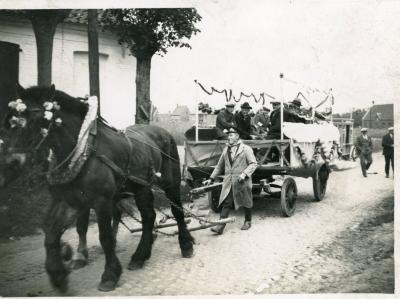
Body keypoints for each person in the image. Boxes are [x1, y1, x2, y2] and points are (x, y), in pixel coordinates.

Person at [203, 127, 258, 234]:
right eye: (228, 135)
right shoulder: (226, 149)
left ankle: (248, 221)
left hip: (242, 180)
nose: (229, 137)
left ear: (237, 136)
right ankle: (220, 226)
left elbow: (253, 164)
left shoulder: (246, 149)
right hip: (229, 181)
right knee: (226, 202)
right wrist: (211, 178)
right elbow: (219, 166)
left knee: (246, 201)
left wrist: (244, 174)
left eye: (231, 135)